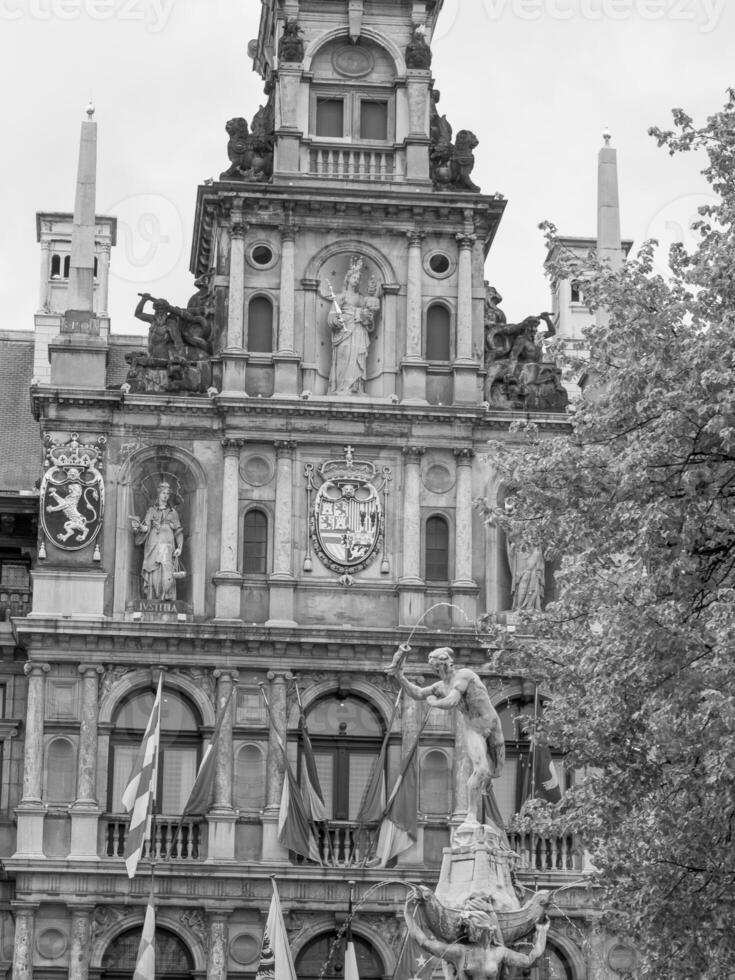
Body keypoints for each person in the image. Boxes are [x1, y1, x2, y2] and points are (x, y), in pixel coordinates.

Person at [388, 646, 505, 829]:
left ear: (447, 664)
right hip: (473, 728)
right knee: (481, 770)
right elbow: (417, 693)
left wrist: (435, 702)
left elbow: (452, 700)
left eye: (439, 667)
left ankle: (483, 797)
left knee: (495, 772)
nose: (437, 671)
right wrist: (400, 676)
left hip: (492, 724)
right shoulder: (440, 686)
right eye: (434, 668)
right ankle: (471, 815)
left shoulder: (464, 675)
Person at [406, 886, 550, 980]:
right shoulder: (460, 952)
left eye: (475, 926)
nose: (470, 930)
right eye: (469, 927)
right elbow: (424, 942)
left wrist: (542, 932)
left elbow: (529, 959)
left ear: (487, 929)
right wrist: (408, 912)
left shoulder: (499, 952)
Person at [321, 257, 380, 395]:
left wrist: (367, 317)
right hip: (344, 333)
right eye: (354, 277)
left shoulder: (361, 298)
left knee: (357, 357)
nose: (357, 280)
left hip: (359, 331)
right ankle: (341, 387)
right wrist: (337, 321)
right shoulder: (341, 297)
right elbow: (331, 317)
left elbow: (369, 321)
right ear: (348, 279)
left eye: (358, 278)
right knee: (344, 356)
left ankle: (356, 387)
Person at [130, 482, 184, 601]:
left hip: (167, 543)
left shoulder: (173, 512)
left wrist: (179, 547)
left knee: (166, 568)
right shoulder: (151, 511)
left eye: (167, 494)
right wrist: (139, 526)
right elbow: (146, 527)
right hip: (153, 543)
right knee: (153, 569)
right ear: (159, 494)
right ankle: (153, 596)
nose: (165, 496)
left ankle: (166, 594)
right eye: (163, 493)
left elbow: (178, 532)